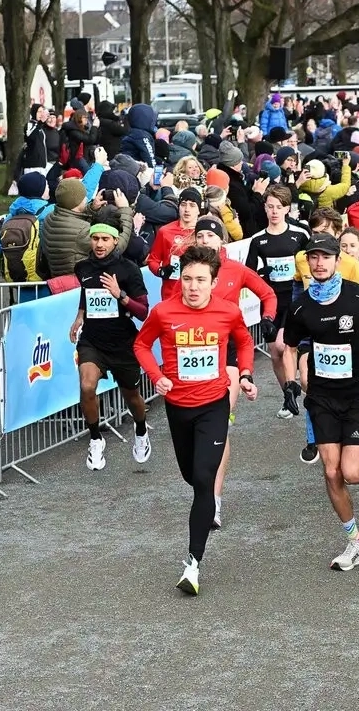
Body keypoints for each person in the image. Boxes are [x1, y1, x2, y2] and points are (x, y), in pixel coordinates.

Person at [134, 246, 258, 596]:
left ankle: (193, 563)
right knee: (191, 476)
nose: (193, 286)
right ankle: (202, 510)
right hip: (178, 408)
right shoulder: (163, 311)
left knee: (204, 480)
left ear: (214, 282)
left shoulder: (228, 312)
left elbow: (244, 342)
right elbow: (141, 345)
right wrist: (157, 376)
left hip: (214, 405)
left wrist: (245, 374)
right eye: (187, 279)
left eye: (201, 280)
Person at [285, 233, 359, 570]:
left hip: (358, 394)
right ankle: (354, 540)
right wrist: (290, 383)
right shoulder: (301, 305)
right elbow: (290, 346)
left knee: (353, 473)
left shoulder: (358, 296)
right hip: (321, 397)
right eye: (313, 257)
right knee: (332, 471)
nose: (319, 263)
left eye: (325, 257)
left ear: (337, 260)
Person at [193, 215, 278, 529]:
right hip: (196, 350)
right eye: (200, 236)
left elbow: (268, 294)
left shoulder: (236, 270)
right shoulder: (189, 273)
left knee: (219, 425)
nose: (205, 241)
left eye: (210, 236)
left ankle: (213, 501)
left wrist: (268, 318)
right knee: (195, 430)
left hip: (227, 351)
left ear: (222, 240)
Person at [70, 223, 152, 471]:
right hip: (93, 341)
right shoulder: (82, 268)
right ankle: (96, 439)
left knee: (132, 396)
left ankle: (141, 431)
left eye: (105, 239)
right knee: (87, 386)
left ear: (115, 241)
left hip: (123, 343)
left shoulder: (128, 270)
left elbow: (143, 312)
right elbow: (87, 292)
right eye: (95, 238)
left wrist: (120, 295)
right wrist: (80, 316)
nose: (99, 244)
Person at [245, 185, 309, 421]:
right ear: (265, 208)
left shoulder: (300, 234)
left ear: (287, 209)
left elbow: (311, 264)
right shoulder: (258, 240)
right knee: (274, 354)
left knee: (284, 347)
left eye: (279, 207)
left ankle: (297, 381)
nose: (274, 212)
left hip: (294, 299)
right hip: (270, 301)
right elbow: (249, 273)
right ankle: (288, 396)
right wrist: (262, 275)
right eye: (270, 207)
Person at [147, 187, 201, 301]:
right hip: (171, 294)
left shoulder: (204, 233)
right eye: (183, 205)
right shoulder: (165, 231)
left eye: (192, 205)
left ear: (199, 210)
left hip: (198, 293)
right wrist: (161, 271)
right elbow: (153, 260)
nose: (187, 210)